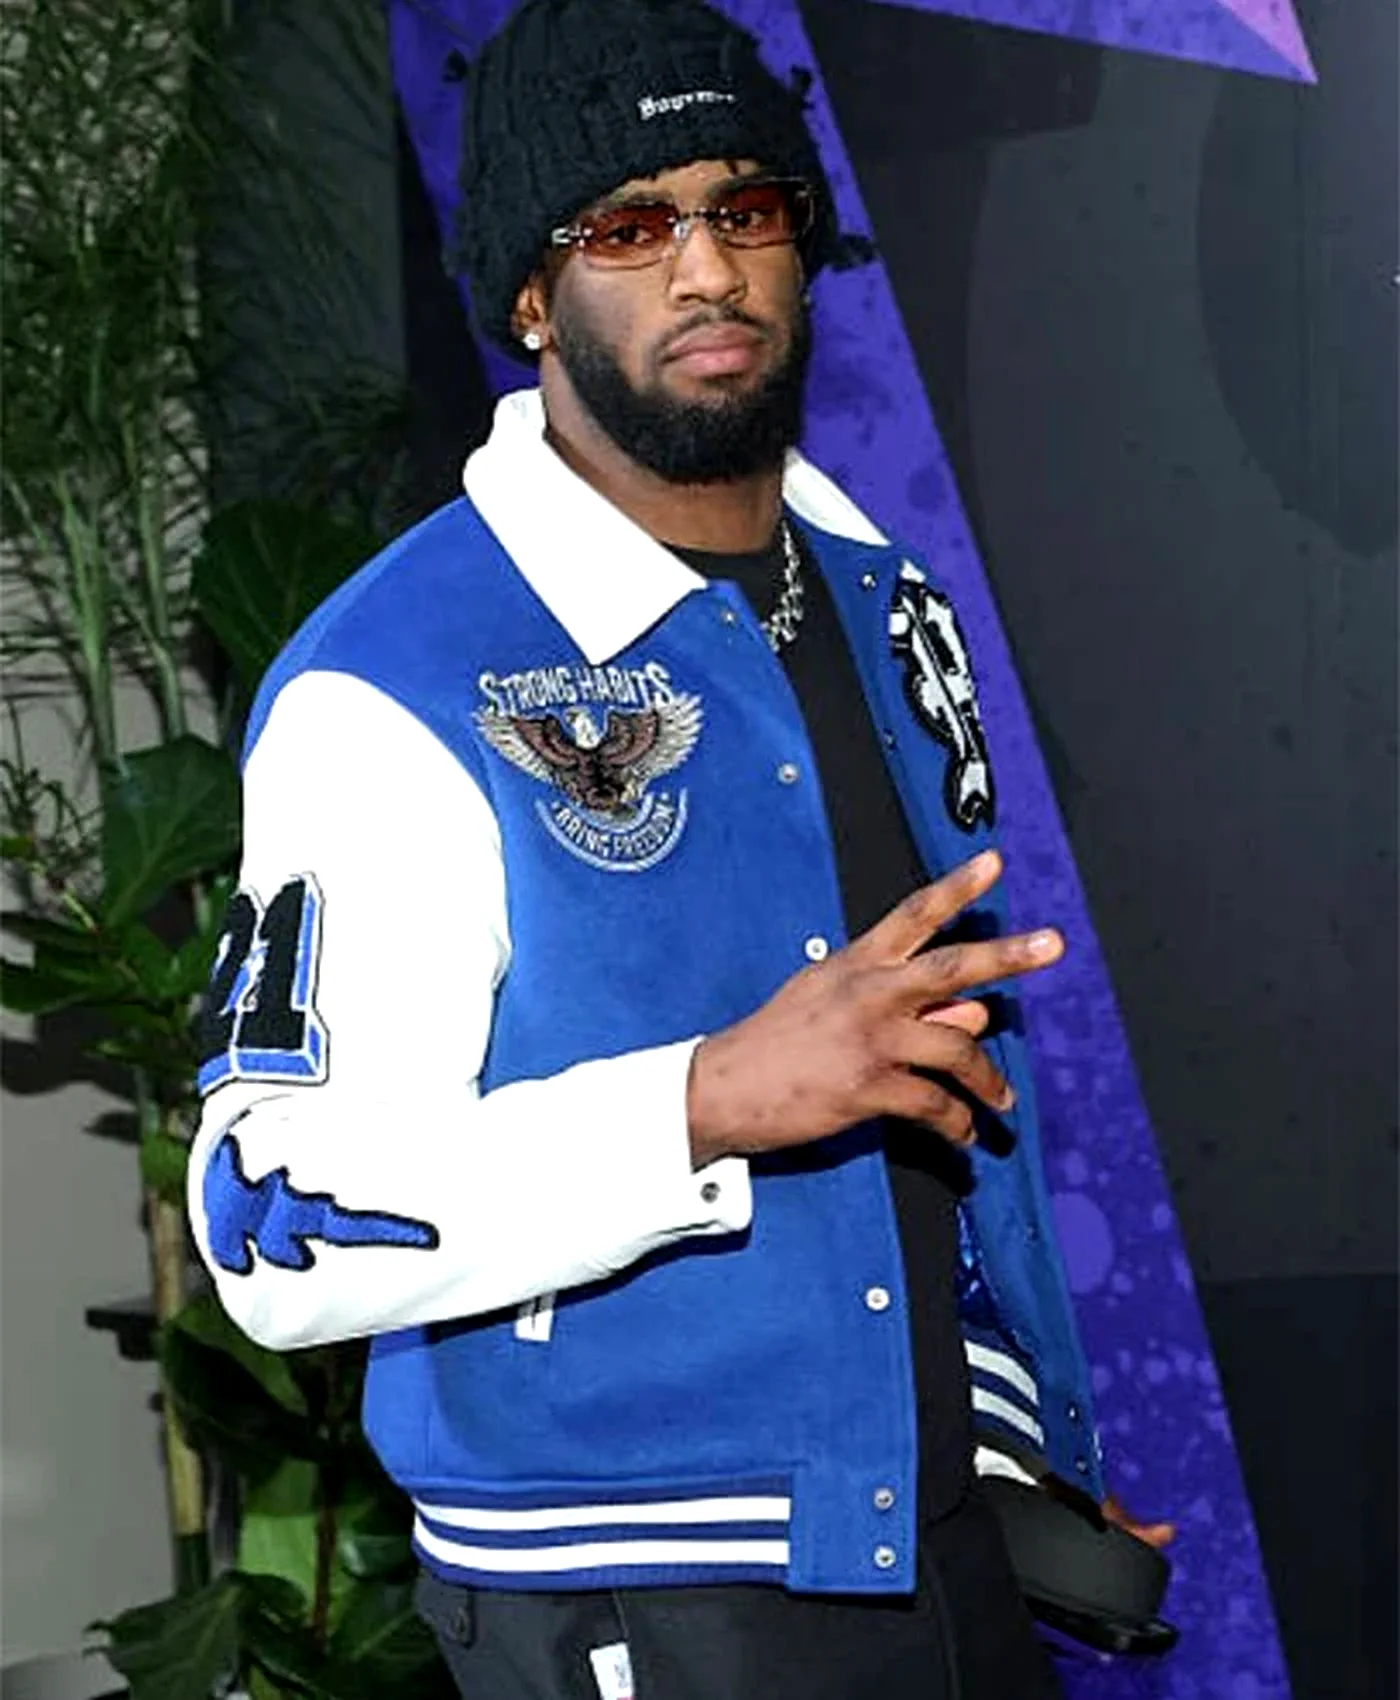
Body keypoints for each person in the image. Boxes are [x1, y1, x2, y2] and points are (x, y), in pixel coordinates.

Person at [188, 2, 1167, 1694]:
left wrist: (1006, 1446)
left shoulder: (884, 603)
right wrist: (702, 1099)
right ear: (530, 295)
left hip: (934, 1548)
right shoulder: (391, 680)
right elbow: (271, 1227)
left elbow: (934, 1124)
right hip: (633, 1601)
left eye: (745, 207)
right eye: (630, 228)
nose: (707, 269)